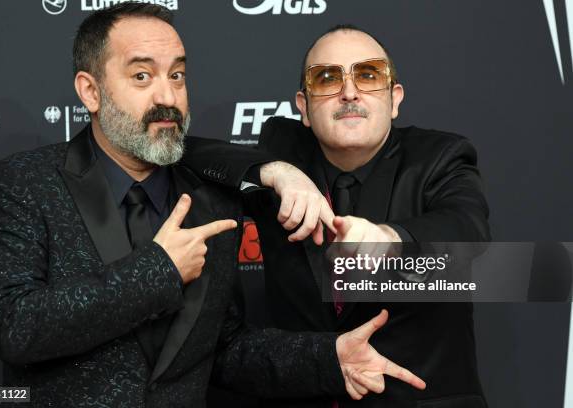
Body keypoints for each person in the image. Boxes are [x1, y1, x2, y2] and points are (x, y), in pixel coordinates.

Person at [0, 7, 425, 407]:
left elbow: (222, 349)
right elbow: (16, 326)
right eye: (141, 76)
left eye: (177, 75)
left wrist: (327, 359)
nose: (167, 97)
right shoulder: (24, 183)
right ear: (90, 91)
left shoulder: (213, 199)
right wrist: (159, 270)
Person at [190, 25, 490, 407]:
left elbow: (469, 232)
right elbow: (183, 151)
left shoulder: (440, 157)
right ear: (304, 108)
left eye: (368, 75)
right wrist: (276, 172)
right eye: (327, 78)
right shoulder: (282, 152)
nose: (349, 92)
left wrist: (390, 239)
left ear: (395, 99)